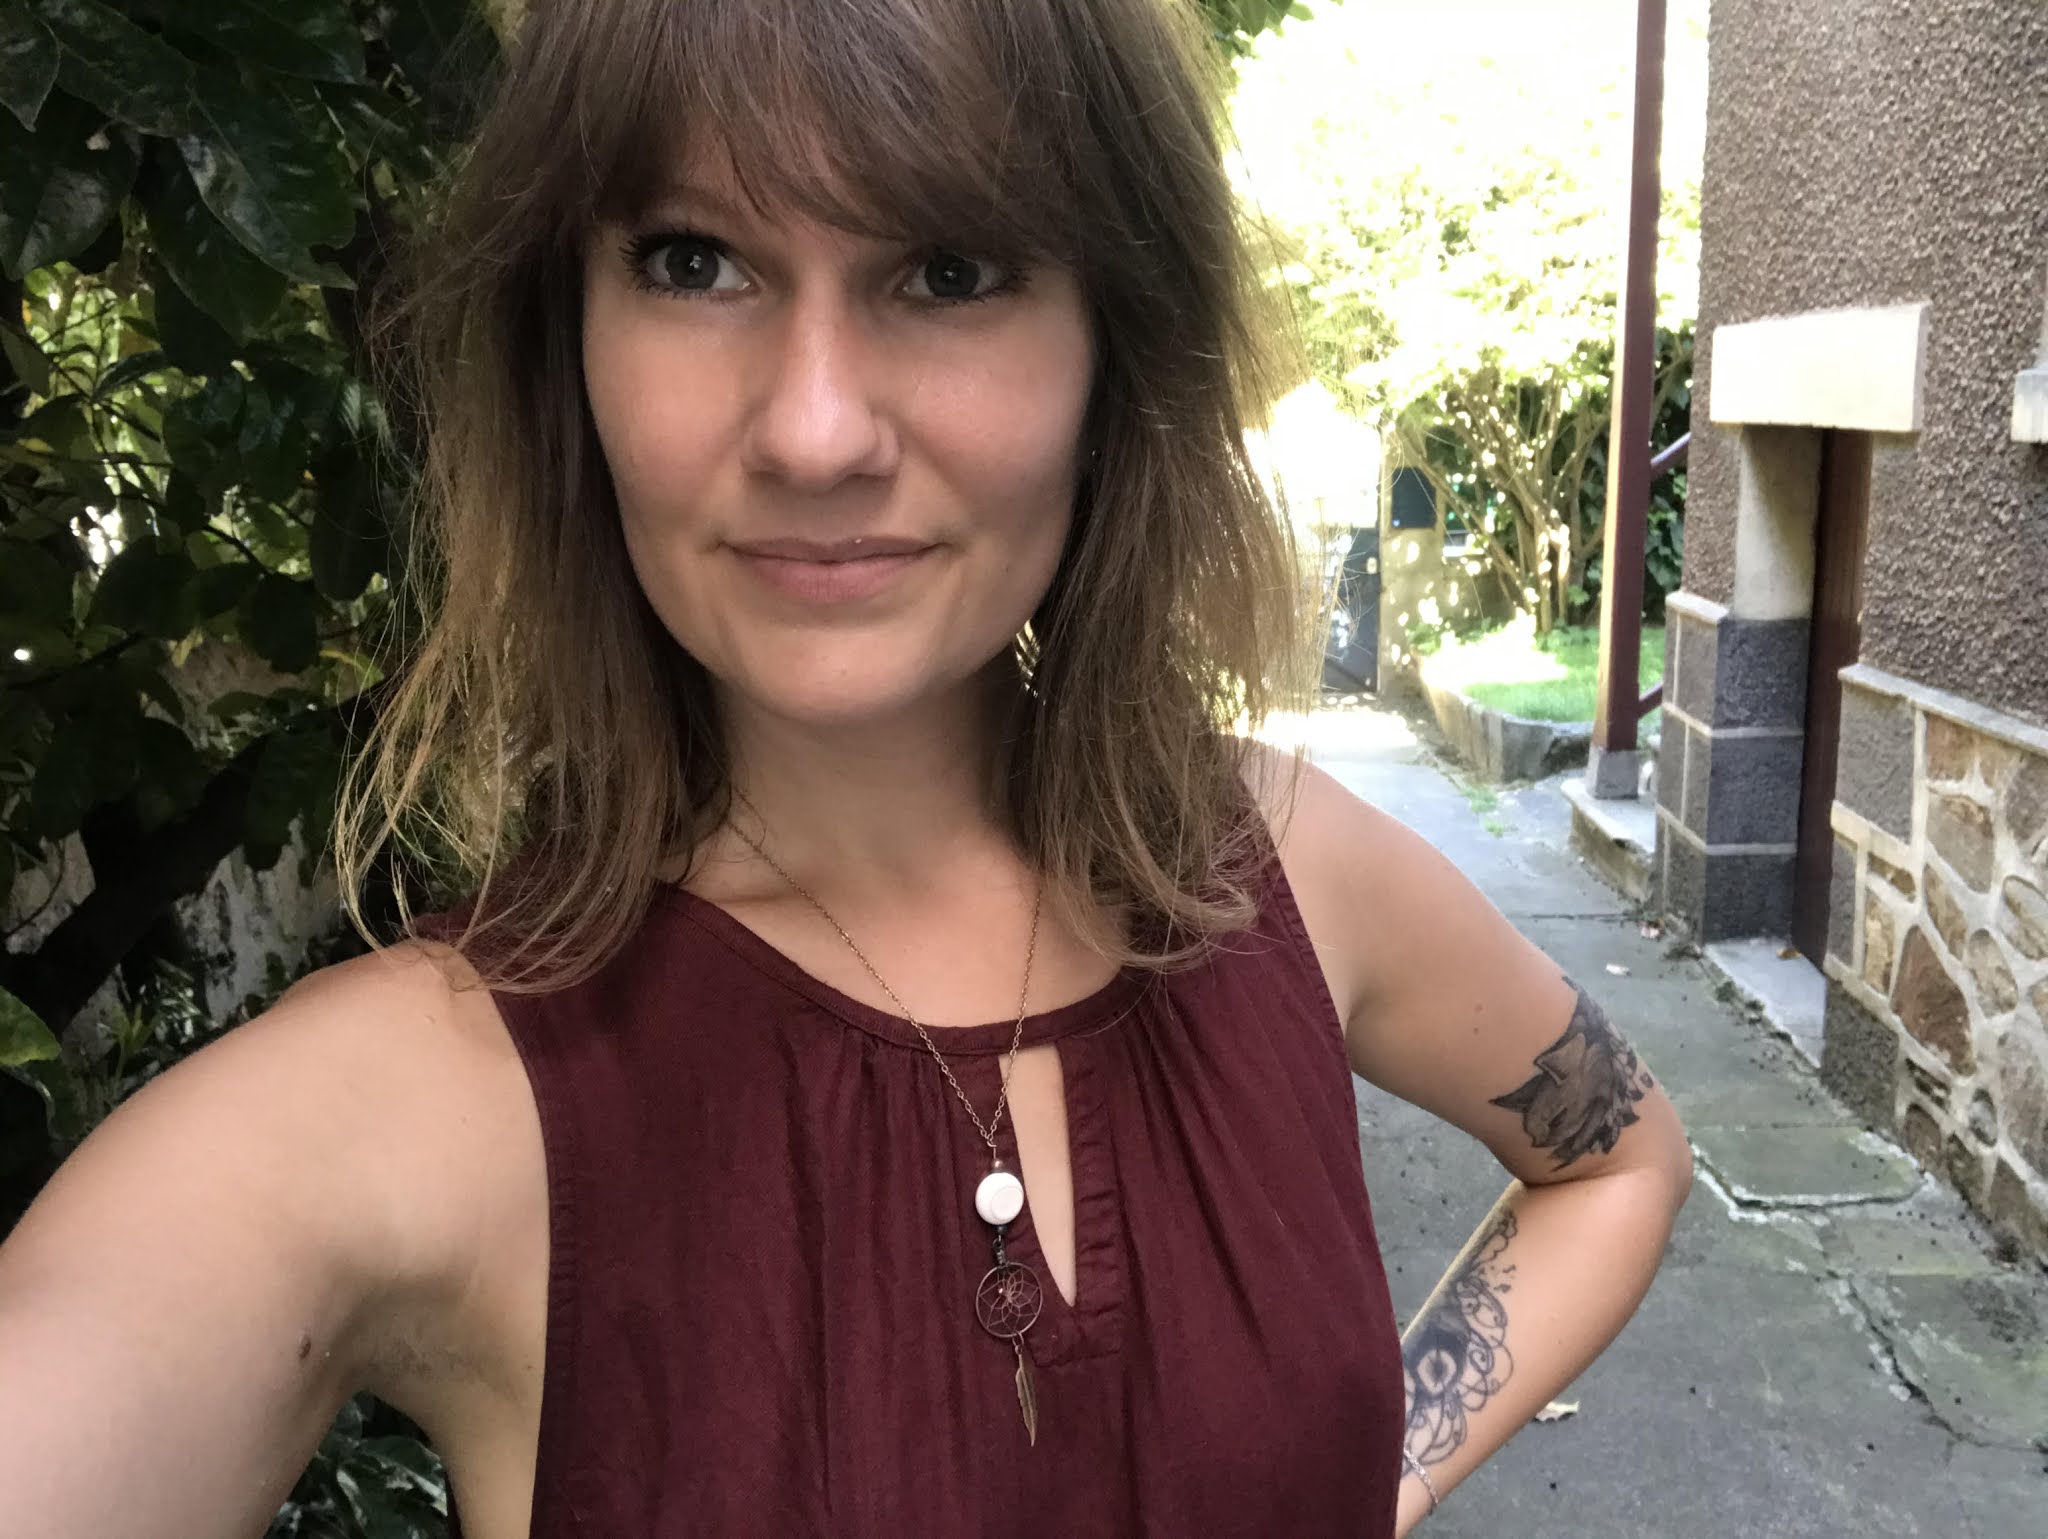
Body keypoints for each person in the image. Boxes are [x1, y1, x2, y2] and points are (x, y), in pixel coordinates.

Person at [0, 0, 1695, 1535]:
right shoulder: (413, 1107)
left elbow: (1618, 1156)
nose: (815, 431)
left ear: (1116, 347)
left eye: (949, 271)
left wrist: (1358, 1479)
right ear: (566, 342)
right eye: (693, 262)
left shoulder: (1285, 868)